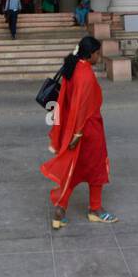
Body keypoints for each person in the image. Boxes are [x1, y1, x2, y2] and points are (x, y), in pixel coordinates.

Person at [41, 35, 117, 228]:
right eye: (97, 53)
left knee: (73, 169)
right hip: (88, 129)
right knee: (97, 167)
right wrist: (78, 134)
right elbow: (82, 107)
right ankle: (95, 209)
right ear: (90, 54)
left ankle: (60, 210)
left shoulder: (73, 68)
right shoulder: (85, 74)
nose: (99, 57)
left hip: (76, 127)